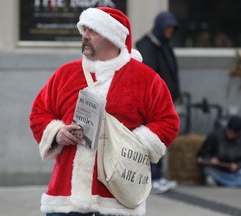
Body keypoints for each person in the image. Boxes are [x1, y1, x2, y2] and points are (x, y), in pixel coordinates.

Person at [29, 7, 179, 216]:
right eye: (84, 30)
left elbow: (167, 122)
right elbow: (39, 113)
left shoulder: (145, 79)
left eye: (93, 31)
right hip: (64, 200)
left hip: (115, 204)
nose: (85, 36)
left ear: (112, 37)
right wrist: (56, 133)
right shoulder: (65, 74)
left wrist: (132, 144)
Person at [135, 11, 180, 193]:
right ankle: (152, 177)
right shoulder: (148, 45)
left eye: (172, 28)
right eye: (168, 27)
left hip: (164, 103)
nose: (170, 31)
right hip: (152, 104)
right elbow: (149, 74)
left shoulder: (164, 45)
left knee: (160, 140)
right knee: (153, 138)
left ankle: (159, 176)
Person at [197, 115, 241, 187]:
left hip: (235, 171)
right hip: (217, 169)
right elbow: (202, 153)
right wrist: (211, 159)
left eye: (234, 133)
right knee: (208, 171)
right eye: (229, 131)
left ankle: (224, 182)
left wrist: (237, 165)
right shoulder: (215, 135)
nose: (231, 135)